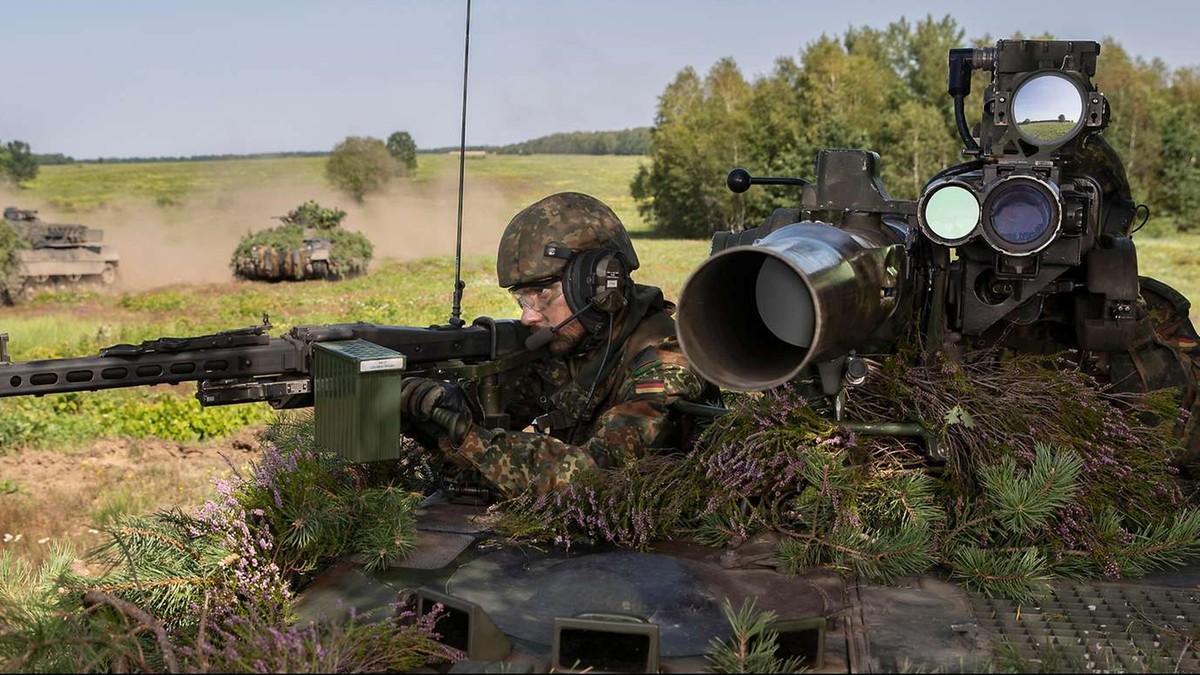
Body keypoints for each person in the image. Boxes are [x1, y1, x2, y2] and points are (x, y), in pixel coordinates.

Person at [399, 191, 721, 496]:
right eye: (521, 299)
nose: (528, 317)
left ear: (597, 284)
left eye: (541, 295)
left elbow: (595, 476)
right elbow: (490, 419)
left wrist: (464, 434)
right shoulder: (574, 345)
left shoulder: (667, 360)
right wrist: (435, 414)